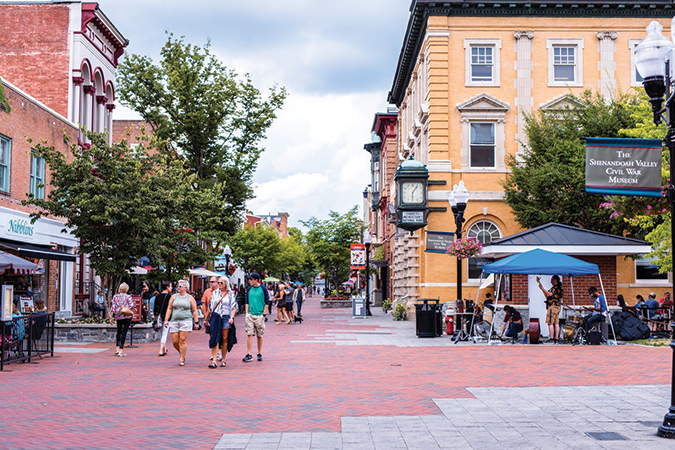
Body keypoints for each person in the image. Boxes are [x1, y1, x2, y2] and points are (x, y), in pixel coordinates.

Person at [164, 280, 199, 366]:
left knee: (182, 340)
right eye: (178, 286)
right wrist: (166, 319)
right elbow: (169, 308)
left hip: (186, 320)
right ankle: (182, 352)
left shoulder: (190, 298)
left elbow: (194, 311)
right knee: (175, 341)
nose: (178, 288)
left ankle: (182, 358)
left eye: (180, 286)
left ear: (186, 288)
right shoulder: (173, 297)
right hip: (174, 320)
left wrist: (196, 322)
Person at [205, 277, 238, 368]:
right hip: (216, 316)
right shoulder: (215, 293)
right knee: (215, 336)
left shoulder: (230, 293)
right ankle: (214, 361)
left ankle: (223, 359)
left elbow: (234, 306)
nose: (219, 284)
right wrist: (207, 317)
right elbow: (211, 305)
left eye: (221, 283)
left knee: (224, 338)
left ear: (226, 284)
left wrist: (232, 317)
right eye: (218, 283)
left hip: (226, 317)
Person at [242, 272, 269, 362]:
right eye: (249, 279)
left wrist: (264, 314)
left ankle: (259, 353)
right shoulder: (249, 289)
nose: (250, 281)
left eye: (251, 279)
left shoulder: (263, 289)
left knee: (259, 335)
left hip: (259, 314)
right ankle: (249, 353)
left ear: (256, 280)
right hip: (250, 314)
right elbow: (247, 301)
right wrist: (247, 313)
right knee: (249, 333)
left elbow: (267, 302)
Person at [536, 275, 563, 343]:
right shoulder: (560, 288)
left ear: (555, 280)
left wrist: (542, 289)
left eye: (552, 280)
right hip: (557, 306)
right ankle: (556, 338)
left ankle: (551, 338)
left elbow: (550, 294)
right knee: (556, 323)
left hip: (553, 307)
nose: (550, 281)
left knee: (550, 323)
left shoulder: (555, 288)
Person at [110, 282, 134, 357]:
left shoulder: (115, 297)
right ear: (126, 290)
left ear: (120, 289)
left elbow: (113, 308)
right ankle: (121, 350)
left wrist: (111, 317)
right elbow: (131, 306)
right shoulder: (128, 297)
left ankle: (117, 348)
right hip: (126, 316)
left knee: (119, 331)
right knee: (124, 332)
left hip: (118, 316)